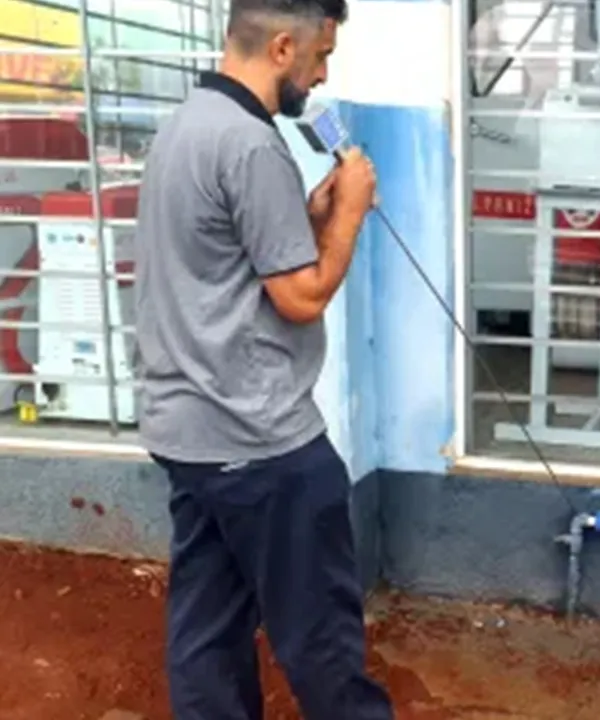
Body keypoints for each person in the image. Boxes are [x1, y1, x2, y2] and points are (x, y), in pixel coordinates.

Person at [132, 0, 391, 717]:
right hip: (260, 443)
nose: (322, 74)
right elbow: (301, 296)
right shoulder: (251, 144)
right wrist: (350, 213)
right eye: (320, 55)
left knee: (207, 634)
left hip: (190, 436)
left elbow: (221, 261)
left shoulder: (185, 126)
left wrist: (310, 217)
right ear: (282, 47)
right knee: (321, 639)